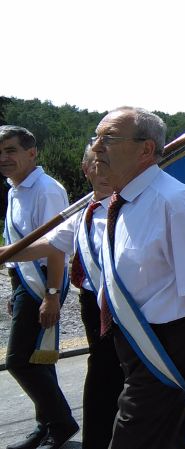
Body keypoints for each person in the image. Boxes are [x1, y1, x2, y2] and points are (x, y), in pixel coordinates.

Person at [90, 107, 185, 448]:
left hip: (166, 349)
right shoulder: (123, 203)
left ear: (146, 149)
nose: (96, 147)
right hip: (135, 346)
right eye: (96, 138)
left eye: (108, 138)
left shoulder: (174, 203)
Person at [0, 146, 123, 449]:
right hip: (94, 305)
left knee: (133, 382)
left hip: (130, 309)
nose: (103, 171)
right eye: (96, 164)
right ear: (86, 170)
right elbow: (47, 245)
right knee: (103, 378)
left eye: (110, 163)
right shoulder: (83, 211)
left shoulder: (133, 207)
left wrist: (52, 294)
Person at [0, 125, 77, 449]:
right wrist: (15, 287)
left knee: (18, 361)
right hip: (25, 280)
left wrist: (52, 295)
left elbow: (57, 247)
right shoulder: (14, 188)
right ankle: (45, 426)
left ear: (32, 153)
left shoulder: (46, 190)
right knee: (37, 358)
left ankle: (61, 423)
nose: (4, 158)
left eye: (11, 150)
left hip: (45, 281)